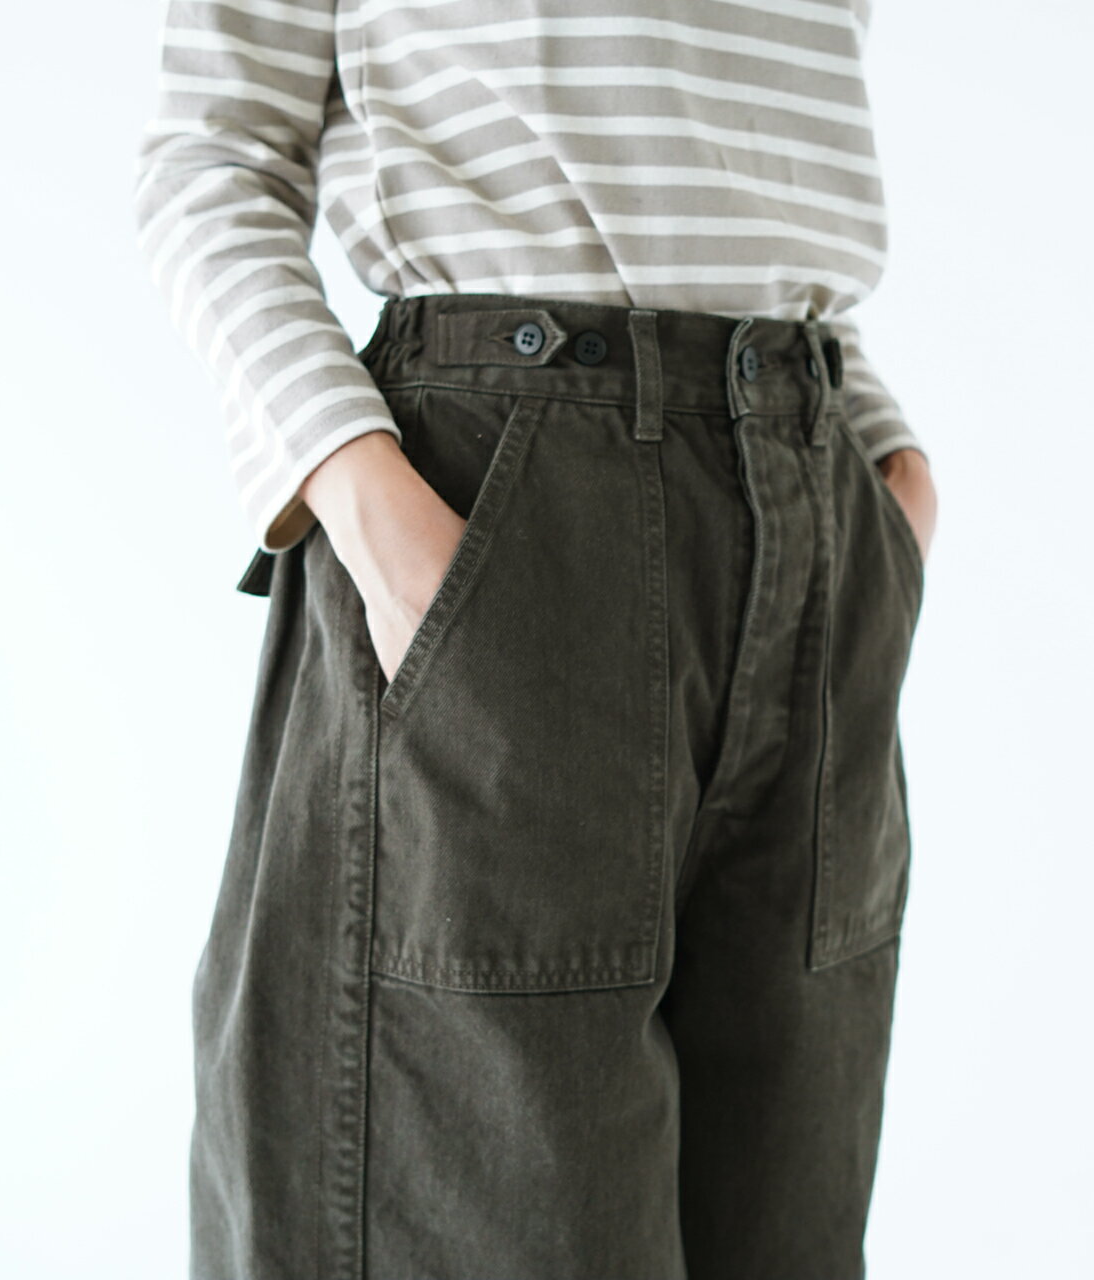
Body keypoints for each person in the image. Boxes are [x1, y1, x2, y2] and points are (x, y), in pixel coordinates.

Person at [133, 2, 939, 1276]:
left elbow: (748, 172)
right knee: (472, 1214)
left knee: (784, 1221)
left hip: (810, 504)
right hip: (504, 502)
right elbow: (213, 154)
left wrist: (885, 463)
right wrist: (365, 497)